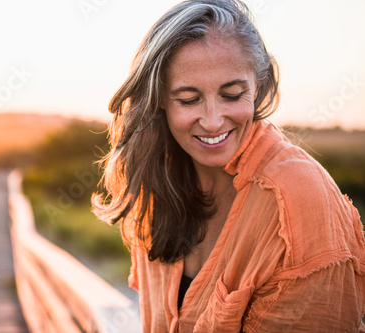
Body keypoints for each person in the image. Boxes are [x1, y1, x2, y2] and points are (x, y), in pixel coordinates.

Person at [91, 0, 365, 332]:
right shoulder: (157, 178)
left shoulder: (297, 200)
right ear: (159, 97)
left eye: (232, 95)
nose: (212, 121)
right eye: (189, 99)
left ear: (258, 87)